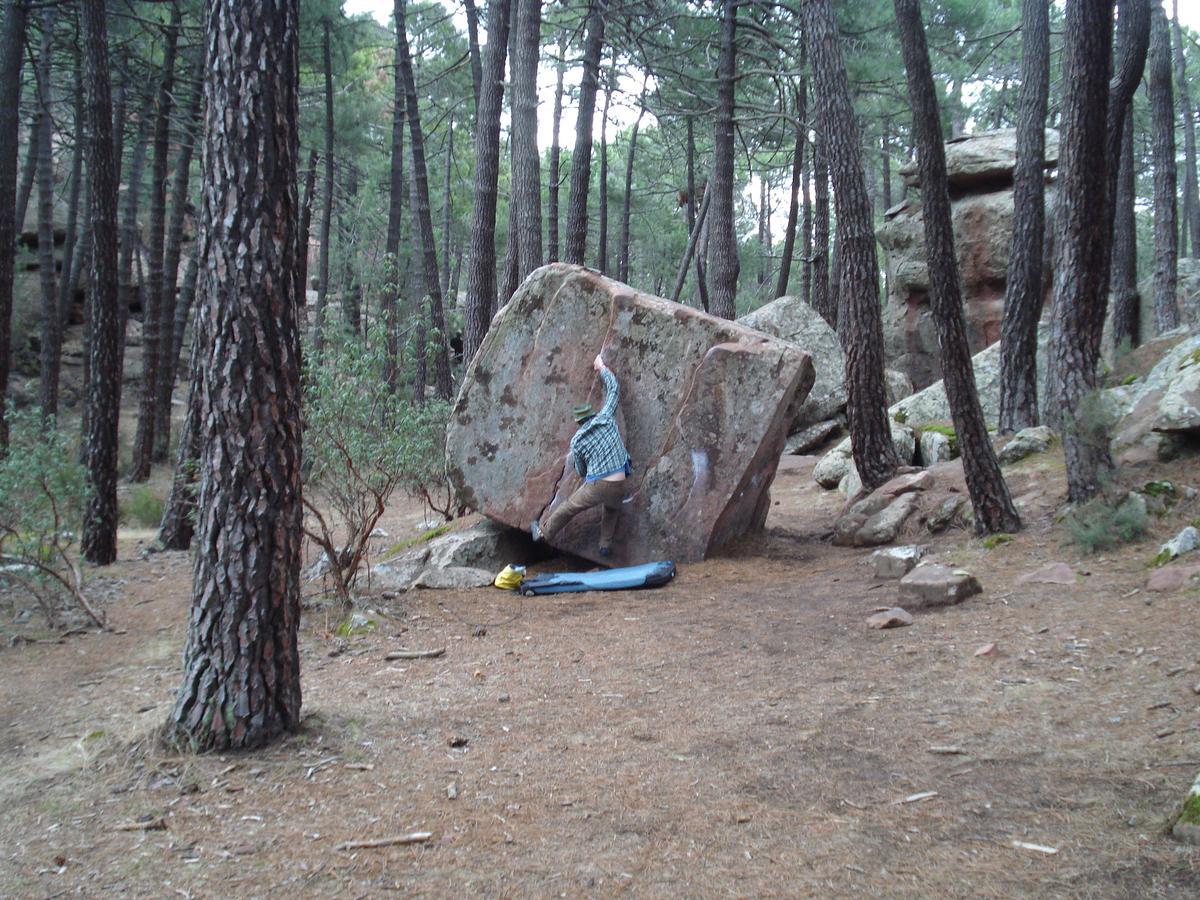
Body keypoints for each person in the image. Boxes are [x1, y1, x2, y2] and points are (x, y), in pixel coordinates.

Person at [532, 354, 631, 558]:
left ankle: (543, 533)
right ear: (592, 415)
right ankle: (604, 546)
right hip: (620, 480)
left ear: (579, 422)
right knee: (611, 508)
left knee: (568, 508)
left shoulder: (577, 440)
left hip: (598, 484)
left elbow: (581, 470)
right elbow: (614, 389)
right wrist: (601, 367)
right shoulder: (606, 419)